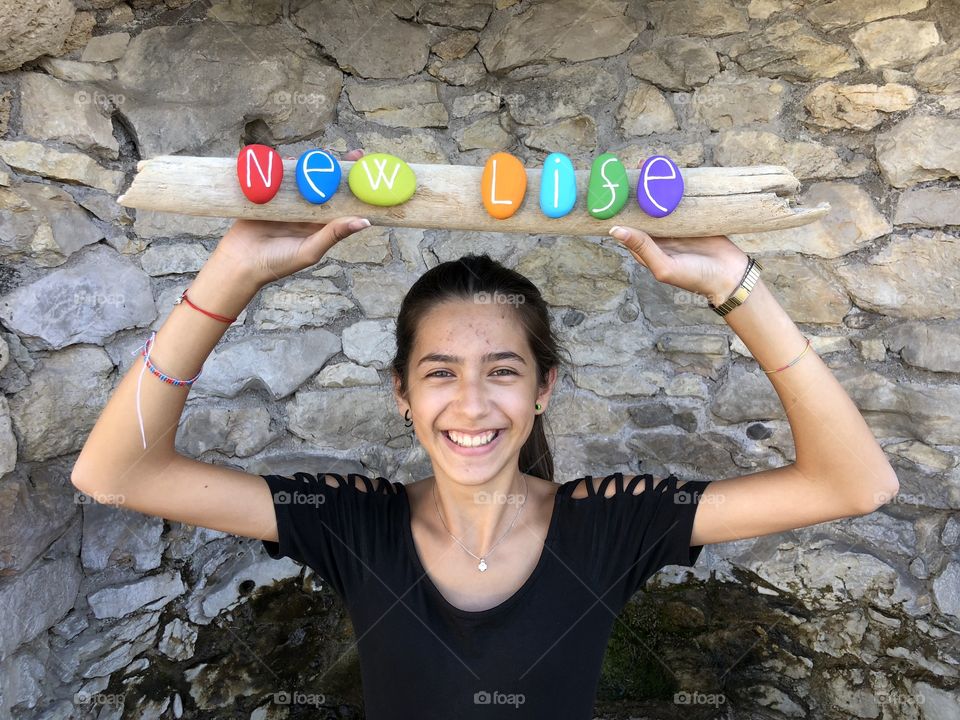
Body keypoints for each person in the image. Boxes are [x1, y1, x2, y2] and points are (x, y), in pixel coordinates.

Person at [72, 150, 900, 719]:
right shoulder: (354, 522)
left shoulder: (610, 521)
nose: (471, 404)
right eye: (440, 372)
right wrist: (230, 276)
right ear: (401, 393)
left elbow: (853, 484)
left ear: (544, 389)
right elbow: (118, 472)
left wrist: (734, 286)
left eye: (503, 370)